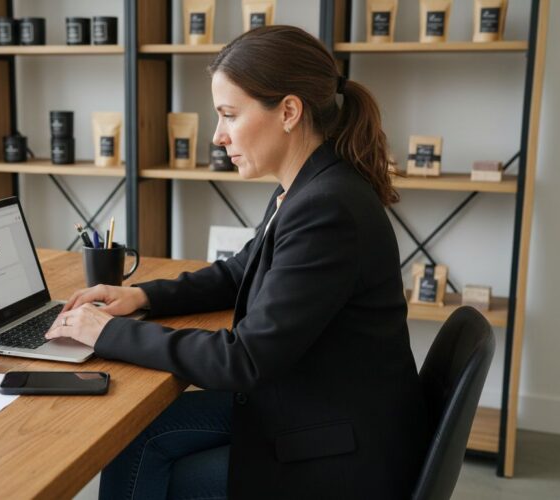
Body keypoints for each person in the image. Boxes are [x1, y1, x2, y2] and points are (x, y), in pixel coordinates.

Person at [46, 26, 430, 500]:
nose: (218, 135)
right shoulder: (306, 186)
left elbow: (244, 360)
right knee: (137, 437)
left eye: (229, 114)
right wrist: (141, 295)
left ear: (289, 111)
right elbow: (239, 272)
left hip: (335, 450)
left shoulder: (326, 209)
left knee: (145, 462)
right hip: (312, 406)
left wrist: (105, 333)